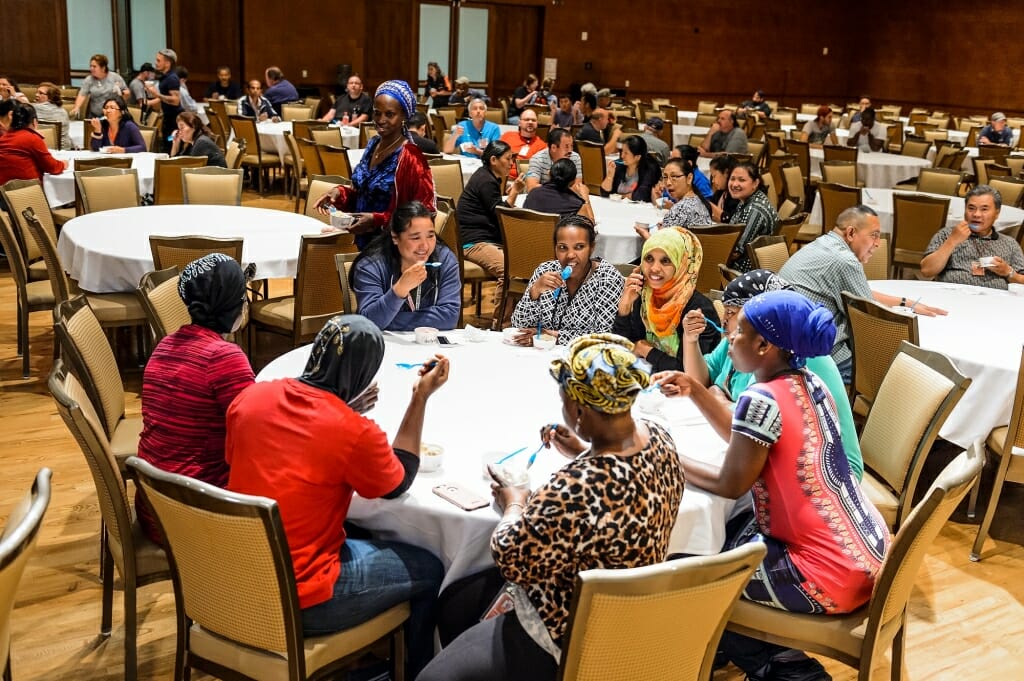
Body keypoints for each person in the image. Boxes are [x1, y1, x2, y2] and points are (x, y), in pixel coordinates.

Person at [417, 334, 683, 681]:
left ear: (578, 409)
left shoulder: (576, 485)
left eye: (564, 400)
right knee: (456, 601)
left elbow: (511, 558)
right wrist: (584, 447)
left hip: (565, 630)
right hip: (630, 609)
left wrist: (515, 501)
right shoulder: (660, 440)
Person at [655, 290, 890, 681]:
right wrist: (696, 390)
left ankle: (786, 671)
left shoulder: (761, 399)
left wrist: (665, 453)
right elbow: (744, 438)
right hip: (863, 553)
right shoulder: (810, 382)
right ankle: (739, 647)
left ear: (764, 345)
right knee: (724, 535)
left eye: (739, 331)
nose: (729, 336)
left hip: (823, 575)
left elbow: (730, 484)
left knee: (699, 569)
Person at [226, 315, 448, 678]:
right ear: (362, 375)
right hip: (299, 598)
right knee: (431, 568)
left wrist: (340, 408)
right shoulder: (352, 432)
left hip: (235, 576)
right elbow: (397, 481)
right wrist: (419, 397)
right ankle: (414, 671)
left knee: (358, 530)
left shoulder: (250, 397)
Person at [679, 269, 864, 479]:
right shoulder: (767, 354)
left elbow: (731, 478)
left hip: (823, 476)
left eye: (735, 319)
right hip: (794, 469)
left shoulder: (793, 366)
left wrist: (673, 460)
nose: (725, 329)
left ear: (763, 337)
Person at [135, 254, 254, 543]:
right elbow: (261, 432)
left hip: (154, 503)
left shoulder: (165, 344)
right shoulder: (224, 357)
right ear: (233, 304)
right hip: (196, 512)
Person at [779, 205, 946, 382]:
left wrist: (905, 302)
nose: (878, 243)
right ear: (851, 233)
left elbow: (859, 295)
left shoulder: (823, 245)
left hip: (786, 347)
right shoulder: (844, 260)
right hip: (818, 360)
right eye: (874, 235)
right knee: (911, 376)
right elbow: (870, 323)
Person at [314, 80, 436, 249]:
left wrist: (377, 221)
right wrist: (339, 193)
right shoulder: (373, 144)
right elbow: (364, 194)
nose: (381, 120)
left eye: (389, 114)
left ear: (404, 117)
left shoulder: (410, 157)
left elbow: (424, 213)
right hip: (360, 242)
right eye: (377, 113)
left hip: (392, 250)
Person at [613, 227, 721, 371]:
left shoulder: (699, 310)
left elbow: (689, 372)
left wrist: (646, 350)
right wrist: (625, 307)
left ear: (682, 264)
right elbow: (622, 349)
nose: (654, 268)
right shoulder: (646, 296)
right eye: (649, 259)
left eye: (665, 261)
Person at [510, 214, 624, 345]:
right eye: (563, 247)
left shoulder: (607, 279)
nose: (570, 255)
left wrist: (552, 336)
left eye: (579, 247)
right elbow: (518, 325)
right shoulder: (545, 271)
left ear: (591, 248)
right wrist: (534, 292)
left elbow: (604, 335)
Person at [350, 201, 461, 331]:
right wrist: (400, 289)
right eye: (415, 238)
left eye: (430, 236)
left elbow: (450, 317)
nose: (425, 246)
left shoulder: (444, 259)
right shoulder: (370, 266)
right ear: (395, 237)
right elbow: (370, 323)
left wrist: (388, 320)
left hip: (430, 346)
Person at [457, 140, 525, 316]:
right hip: (473, 242)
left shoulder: (486, 176)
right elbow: (499, 215)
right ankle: (501, 323)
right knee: (509, 271)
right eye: (508, 158)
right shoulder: (486, 181)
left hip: (483, 238)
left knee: (524, 262)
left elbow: (496, 208)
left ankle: (514, 318)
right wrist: (515, 191)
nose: (511, 163)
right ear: (494, 160)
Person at [920, 185, 1024, 289]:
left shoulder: (1010, 243)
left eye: (984, 209)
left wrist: (1008, 272)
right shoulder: (946, 234)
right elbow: (927, 271)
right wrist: (952, 241)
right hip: (952, 296)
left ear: (996, 213)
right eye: (971, 208)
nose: (976, 214)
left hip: (993, 301)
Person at [728, 162, 780, 272]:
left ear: (755, 183)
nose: (735, 184)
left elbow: (735, 252)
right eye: (732, 179)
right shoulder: (749, 200)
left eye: (741, 180)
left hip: (748, 272)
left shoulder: (755, 209)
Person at [0, 103, 68, 187]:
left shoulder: (3, 138)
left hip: (4, 192)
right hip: (28, 192)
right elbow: (51, 167)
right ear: (35, 121)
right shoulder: (32, 138)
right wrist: (63, 164)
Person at [645, 158, 712, 236]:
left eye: (674, 177)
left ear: (689, 178)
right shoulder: (698, 200)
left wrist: (644, 233)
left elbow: (661, 245)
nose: (668, 183)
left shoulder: (680, 209)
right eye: (665, 177)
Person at [523, 157, 594, 221]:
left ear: (549, 174)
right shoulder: (576, 204)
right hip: (558, 236)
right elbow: (589, 226)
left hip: (531, 235)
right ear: (573, 181)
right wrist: (586, 199)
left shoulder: (533, 194)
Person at [600, 135, 660, 202]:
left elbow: (642, 195)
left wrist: (620, 196)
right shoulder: (618, 165)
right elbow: (604, 193)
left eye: (626, 153)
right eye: (622, 151)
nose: (622, 156)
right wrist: (610, 176)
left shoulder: (649, 168)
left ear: (637, 157)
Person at [144, 48, 183, 148]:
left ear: (167, 63)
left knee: (171, 144)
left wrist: (157, 94)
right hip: (168, 118)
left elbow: (175, 100)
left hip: (174, 120)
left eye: (158, 60)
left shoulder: (172, 78)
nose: (156, 63)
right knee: (167, 144)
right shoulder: (165, 77)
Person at [73, 54, 129, 119]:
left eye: (94, 66)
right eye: (90, 66)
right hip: (95, 115)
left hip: (112, 116)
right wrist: (76, 108)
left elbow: (127, 92)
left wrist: (121, 94)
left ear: (103, 68)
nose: (91, 68)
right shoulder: (89, 80)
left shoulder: (115, 77)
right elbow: (82, 95)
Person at [499, 109, 545, 179]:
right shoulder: (507, 136)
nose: (530, 122)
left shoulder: (542, 146)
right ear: (519, 123)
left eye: (533, 120)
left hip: (523, 182)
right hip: (500, 177)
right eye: (526, 119)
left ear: (537, 123)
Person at [32, 82, 72, 150]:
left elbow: (23, 104)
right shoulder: (63, 111)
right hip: (65, 149)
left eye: (40, 93)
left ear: (50, 98)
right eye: (37, 92)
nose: (36, 95)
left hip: (43, 149)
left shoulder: (34, 109)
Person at [707, 154, 739, 222]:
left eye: (714, 176)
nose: (713, 180)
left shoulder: (736, 195)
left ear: (726, 173)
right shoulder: (720, 192)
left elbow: (731, 221)